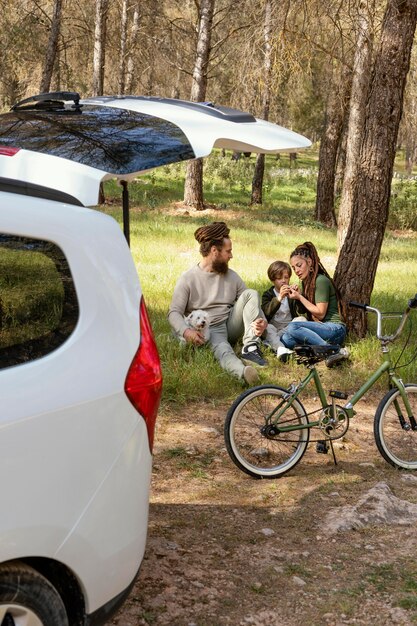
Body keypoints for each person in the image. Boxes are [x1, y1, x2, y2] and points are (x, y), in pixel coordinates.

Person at [168, 221, 268, 385]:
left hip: (229, 324)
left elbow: (251, 302)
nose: (231, 256)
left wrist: (262, 322)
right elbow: (174, 313)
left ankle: (250, 347)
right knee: (223, 349)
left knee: (251, 293)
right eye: (228, 251)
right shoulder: (188, 278)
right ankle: (243, 373)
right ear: (214, 251)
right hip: (207, 328)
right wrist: (187, 332)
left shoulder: (232, 276)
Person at [280, 242, 348, 367]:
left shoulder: (320, 281)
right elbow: (304, 312)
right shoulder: (306, 283)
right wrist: (297, 296)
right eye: (294, 268)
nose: (296, 271)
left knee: (293, 327)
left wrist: (300, 297)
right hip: (321, 332)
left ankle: (333, 351)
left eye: (299, 265)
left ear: (309, 262)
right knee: (285, 339)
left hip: (335, 329)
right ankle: (322, 349)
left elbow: (320, 314)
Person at [261, 260, 299, 362]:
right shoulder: (267, 294)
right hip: (274, 327)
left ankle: (272, 343)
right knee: (268, 327)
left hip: (289, 327)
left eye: (286, 277)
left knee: (301, 319)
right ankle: (281, 350)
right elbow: (266, 313)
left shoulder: (291, 293)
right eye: (279, 278)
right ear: (273, 279)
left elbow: (301, 311)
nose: (283, 281)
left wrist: (298, 297)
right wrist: (279, 298)